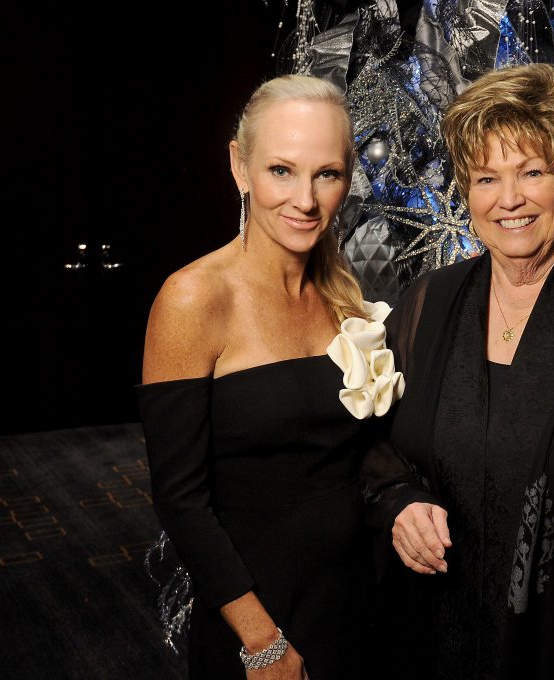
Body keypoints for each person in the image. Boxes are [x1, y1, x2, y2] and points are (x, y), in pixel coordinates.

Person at [360, 62, 554, 679]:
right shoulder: (427, 303)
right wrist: (399, 502)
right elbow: (375, 447)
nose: (509, 199)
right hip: (427, 642)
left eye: (533, 172)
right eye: (486, 177)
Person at [136, 74, 402, 679]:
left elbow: (359, 456)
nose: (305, 200)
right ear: (238, 164)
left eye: (327, 174)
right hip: (260, 625)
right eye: (281, 170)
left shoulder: (347, 298)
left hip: (357, 602)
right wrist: (263, 642)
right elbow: (180, 501)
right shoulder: (193, 299)